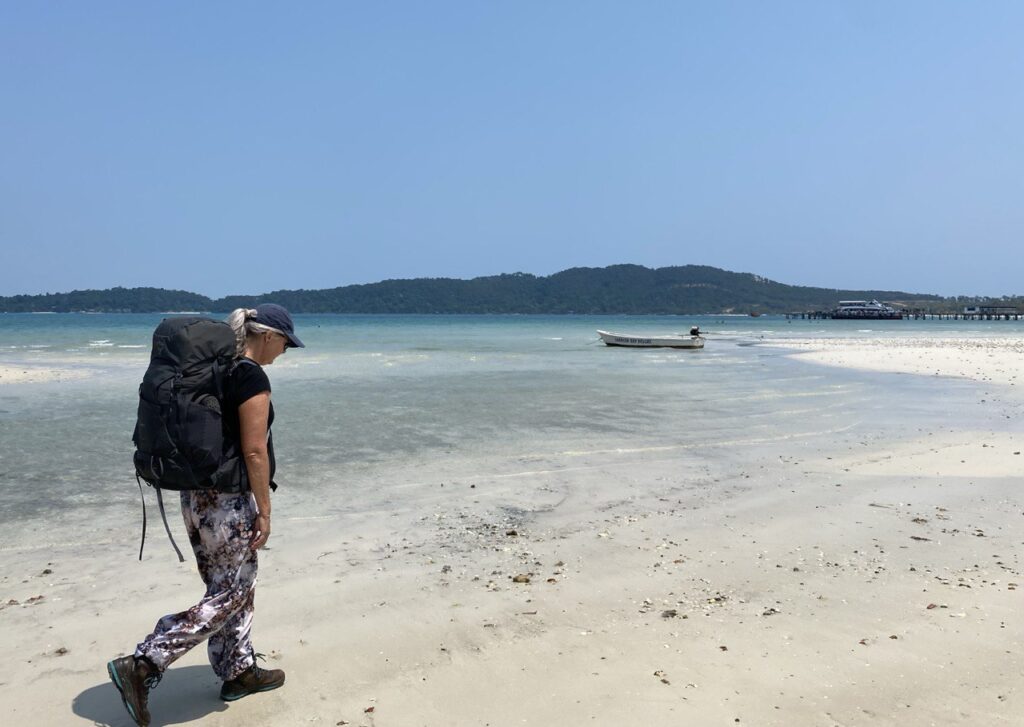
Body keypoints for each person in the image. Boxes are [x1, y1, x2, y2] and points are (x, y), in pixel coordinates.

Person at [107, 304, 304, 727]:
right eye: (285, 342)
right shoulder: (249, 375)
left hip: (195, 499)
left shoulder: (215, 371)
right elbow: (253, 449)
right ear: (266, 335)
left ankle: (238, 671)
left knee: (236, 583)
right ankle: (144, 662)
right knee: (229, 593)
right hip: (228, 502)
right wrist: (264, 511)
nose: (286, 351)